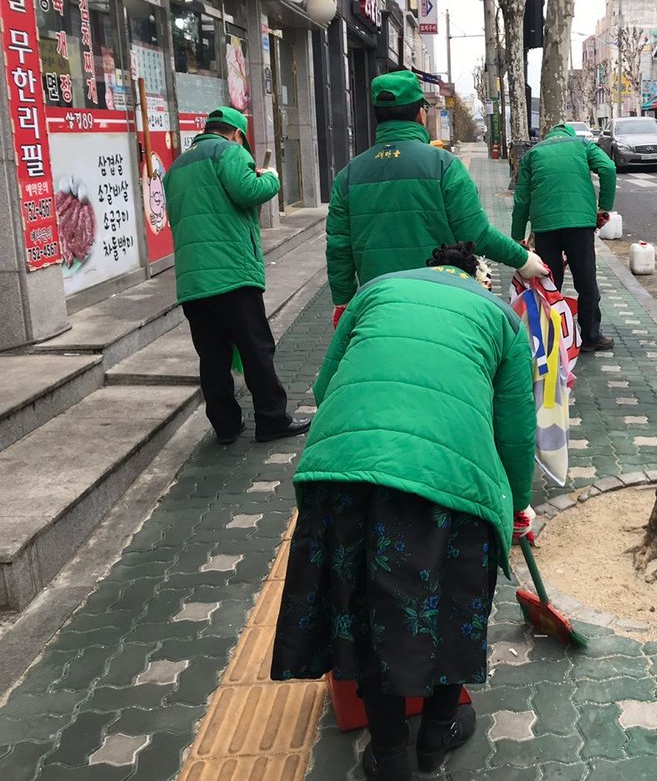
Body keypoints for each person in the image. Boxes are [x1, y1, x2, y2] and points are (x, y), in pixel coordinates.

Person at [271, 242, 536, 781]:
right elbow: (515, 430)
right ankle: (434, 742)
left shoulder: (376, 291)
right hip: (451, 484)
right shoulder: (501, 317)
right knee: (455, 606)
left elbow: (324, 386)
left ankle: (389, 754)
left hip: (344, 473)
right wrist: (518, 507)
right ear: (475, 275)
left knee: (368, 613)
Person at [326, 70, 547, 320]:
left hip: (378, 304)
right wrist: (523, 259)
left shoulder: (348, 175)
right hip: (440, 302)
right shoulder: (444, 165)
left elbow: (339, 248)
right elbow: (476, 233)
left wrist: (343, 301)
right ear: (421, 112)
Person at [163, 106, 310, 445]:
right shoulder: (228, 152)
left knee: (212, 356)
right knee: (256, 348)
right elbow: (249, 191)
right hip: (231, 274)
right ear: (236, 133)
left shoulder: (178, 166)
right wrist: (270, 176)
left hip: (193, 280)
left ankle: (226, 427)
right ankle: (271, 419)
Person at [511, 121, 618, 351]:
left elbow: (521, 199)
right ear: (569, 134)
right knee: (586, 281)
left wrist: (517, 236)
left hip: (545, 227)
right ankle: (590, 337)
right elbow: (608, 168)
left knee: (549, 282)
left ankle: (550, 338)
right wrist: (604, 207)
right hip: (579, 226)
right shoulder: (582, 145)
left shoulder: (533, 153)